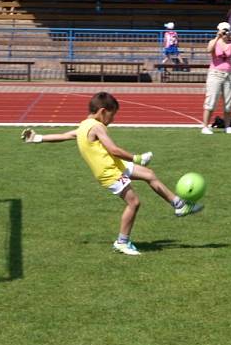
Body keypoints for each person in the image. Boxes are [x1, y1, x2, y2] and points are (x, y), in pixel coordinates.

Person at [19, 92, 203, 256]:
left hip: (115, 166)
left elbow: (64, 136)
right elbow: (113, 149)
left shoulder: (84, 125)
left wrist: (37, 138)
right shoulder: (97, 127)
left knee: (149, 174)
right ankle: (122, 242)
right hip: (109, 172)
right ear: (102, 111)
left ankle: (178, 204)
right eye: (112, 114)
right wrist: (137, 158)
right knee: (134, 202)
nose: (113, 119)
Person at [202, 21, 231, 135]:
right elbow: (209, 49)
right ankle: (205, 126)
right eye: (223, 31)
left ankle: (227, 126)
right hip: (215, 74)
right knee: (211, 101)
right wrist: (217, 37)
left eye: (226, 31)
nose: (225, 33)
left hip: (228, 75)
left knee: (229, 103)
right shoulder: (214, 42)